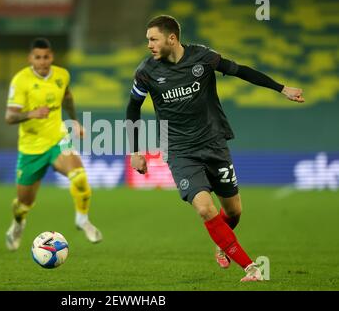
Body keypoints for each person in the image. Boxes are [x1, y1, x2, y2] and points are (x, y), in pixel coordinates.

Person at [126, 15, 304, 282]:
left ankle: (222, 243)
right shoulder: (146, 72)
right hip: (179, 150)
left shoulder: (203, 58)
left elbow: (241, 70)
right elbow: (132, 109)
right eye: (147, 40)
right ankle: (250, 268)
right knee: (205, 209)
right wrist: (135, 150)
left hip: (213, 143)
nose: (149, 44)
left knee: (233, 212)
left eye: (153, 39)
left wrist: (281, 88)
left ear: (171, 38)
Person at [5, 37, 102, 251]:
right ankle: (18, 223)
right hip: (31, 149)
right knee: (24, 204)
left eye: (46, 57)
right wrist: (32, 113)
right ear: (30, 58)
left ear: (52, 56)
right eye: (37, 57)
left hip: (58, 140)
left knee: (80, 178)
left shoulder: (61, 74)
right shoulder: (20, 81)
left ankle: (82, 219)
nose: (42, 61)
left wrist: (75, 119)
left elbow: (67, 97)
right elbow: (9, 117)